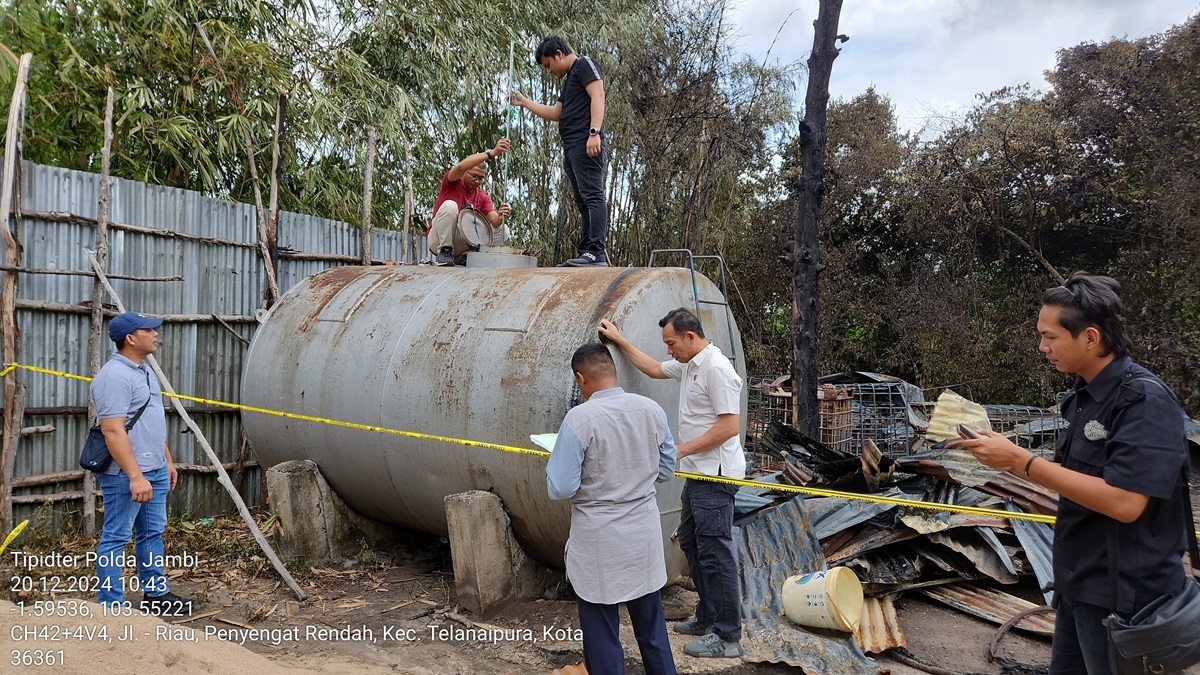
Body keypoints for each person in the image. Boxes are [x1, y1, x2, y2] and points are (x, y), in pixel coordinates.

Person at [952, 272, 1189, 674]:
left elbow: (1126, 502)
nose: (1042, 347)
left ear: (1091, 338)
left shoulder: (1143, 401)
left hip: (1127, 598)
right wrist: (1008, 455)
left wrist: (1020, 462)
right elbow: (1074, 480)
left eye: (1051, 337)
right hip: (1079, 583)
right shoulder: (1082, 397)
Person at [597, 308, 744, 659]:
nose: (668, 350)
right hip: (697, 475)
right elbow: (652, 367)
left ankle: (728, 635)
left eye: (671, 342)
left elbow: (729, 426)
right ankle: (707, 616)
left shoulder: (716, 369)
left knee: (716, 554)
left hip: (714, 477)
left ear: (690, 337)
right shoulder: (691, 365)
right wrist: (618, 339)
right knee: (692, 544)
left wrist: (682, 449)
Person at [546, 343, 678, 675]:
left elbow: (561, 487)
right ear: (613, 372)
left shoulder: (579, 419)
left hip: (599, 543)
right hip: (643, 537)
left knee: (602, 634)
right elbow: (665, 470)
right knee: (652, 631)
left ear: (581, 378)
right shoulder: (651, 410)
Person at [91, 312, 193, 616]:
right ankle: (111, 606)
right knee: (116, 537)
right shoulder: (113, 377)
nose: (156, 334)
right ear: (131, 338)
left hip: (155, 469)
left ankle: (156, 595)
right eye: (149, 330)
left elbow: (148, 421)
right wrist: (136, 476)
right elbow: (112, 430)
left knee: (151, 533)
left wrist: (167, 462)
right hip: (126, 474)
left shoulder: (144, 370)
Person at [509, 36, 608, 267]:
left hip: (586, 141)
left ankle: (596, 251)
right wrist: (525, 102)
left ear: (558, 54)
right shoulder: (569, 79)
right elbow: (556, 114)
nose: (549, 70)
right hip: (571, 146)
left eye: (548, 64)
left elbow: (598, 95)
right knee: (583, 201)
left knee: (593, 195)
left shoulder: (584, 65)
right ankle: (587, 251)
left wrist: (594, 132)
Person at [428, 139, 513, 266]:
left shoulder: (483, 197)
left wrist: (501, 216)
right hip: (439, 238)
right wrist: (492, 153)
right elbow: (461, 166)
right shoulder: (451, 182)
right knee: (450, 206)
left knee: (504, 230)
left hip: (464, 241)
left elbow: (495, 222)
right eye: (474, 176)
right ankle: (445, 252)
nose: (477, 181)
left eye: (481, 178)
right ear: (464, 173)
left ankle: (470, 255)